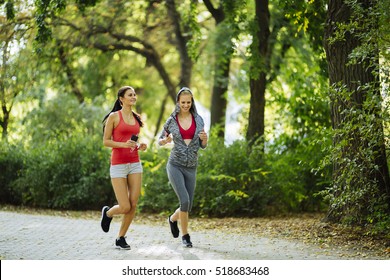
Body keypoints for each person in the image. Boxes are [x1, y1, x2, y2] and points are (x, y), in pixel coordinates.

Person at [158, 87, 208, 247]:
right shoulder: (171, 120)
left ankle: (172, 219)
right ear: (178, 103)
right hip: (175, 165)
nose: (186, 105)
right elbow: (160, 139)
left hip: (192, 166)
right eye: (183, 102)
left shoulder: (199, 120)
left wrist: (205, 139)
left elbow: (202, 145)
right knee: (184, 200)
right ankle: (186, 236)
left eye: (188, 102)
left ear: (192, 102)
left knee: (188, 205)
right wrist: (164, 141)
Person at [100, 86, 147, 250]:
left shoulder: (136, 117)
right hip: (118, 165)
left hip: (135, 163)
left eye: (134, 95)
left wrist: (140, 145)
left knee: (133, 204)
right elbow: (106, 141)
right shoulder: (114, 117)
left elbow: (132, 141)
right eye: (130, 95)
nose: (133, 97)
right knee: (125, 206)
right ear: (121, 98)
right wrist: (123, 145)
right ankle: (108, 213)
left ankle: (121, 237)